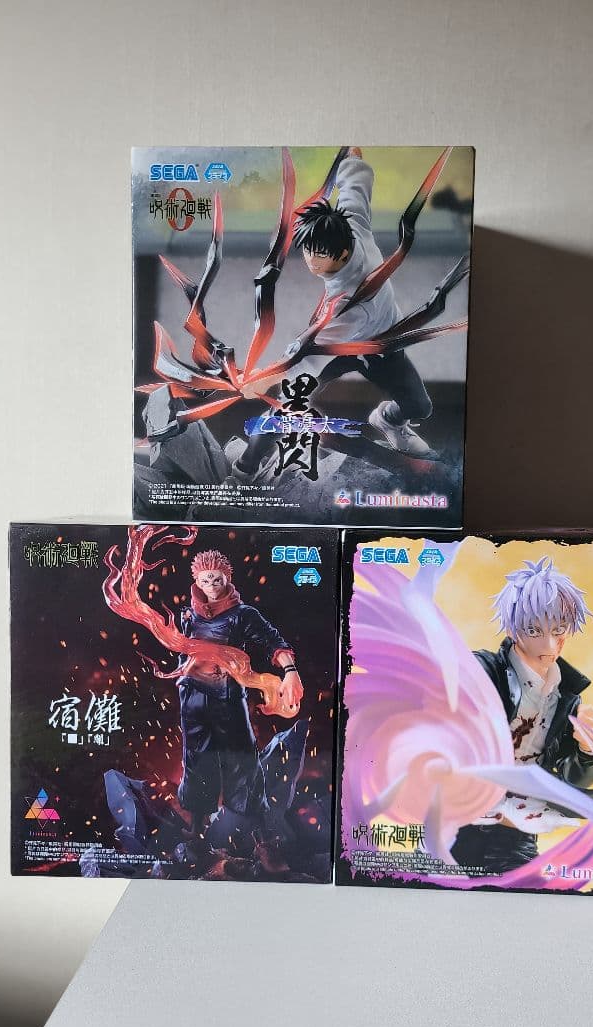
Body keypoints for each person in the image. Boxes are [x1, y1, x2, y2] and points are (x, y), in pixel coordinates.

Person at [231, 146, 437, 481]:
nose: (311, 262)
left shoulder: (347, 306)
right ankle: (245, 469)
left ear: (341, 253)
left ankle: (388, 420)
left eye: (320, 255)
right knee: (289, 405)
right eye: (308, 251)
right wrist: (353, 159)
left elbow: (308, 355)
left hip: (377, 346)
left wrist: (266, 378)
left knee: (419, 406)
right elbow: (355, 188)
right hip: (340, 348)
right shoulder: (352, 224)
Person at [451, 557, 593, 875]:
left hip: (519, 827)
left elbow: (572, 778)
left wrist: (587, 750)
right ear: (513, 629)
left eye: (558, 630)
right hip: (459, 819)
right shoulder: (484, 671)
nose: (549, 644)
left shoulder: (566, 698)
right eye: (534, 630)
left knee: (522, 890)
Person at [176, 549, 303, 834]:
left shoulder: (242, 614)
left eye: (216, 580)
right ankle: (197, 825)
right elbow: (181, 649)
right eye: (205, 580)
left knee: (241, 757)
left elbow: (272, 640)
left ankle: (251, 826)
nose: (211, 586)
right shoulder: (188, 614)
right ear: (197, 581)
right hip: (192, 696)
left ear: (227, 578)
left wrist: (290, 671)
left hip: (228, 697)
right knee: (196, 757)